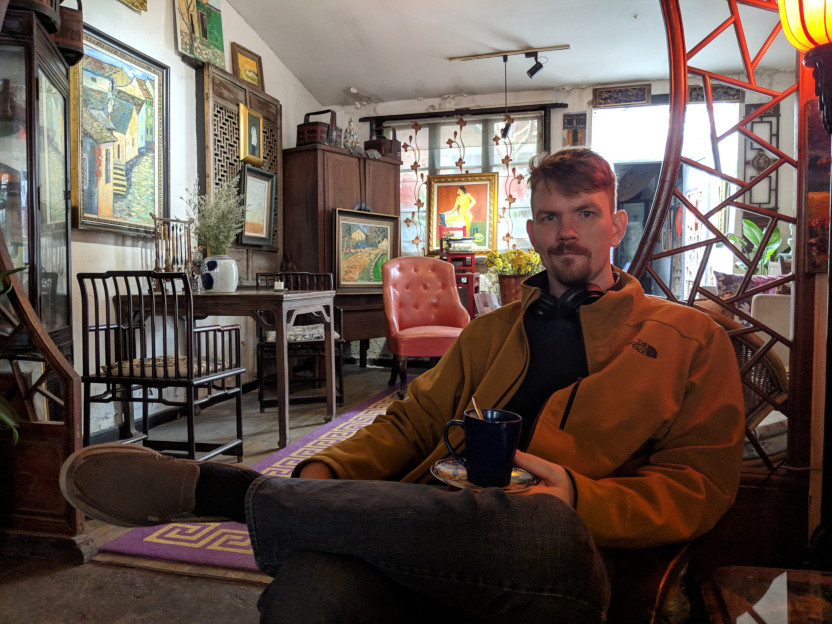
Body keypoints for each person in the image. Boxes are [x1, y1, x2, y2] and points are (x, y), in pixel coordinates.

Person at [60, 148, 745, 623]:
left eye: (585, 213)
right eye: (548, 216)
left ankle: (235, 495)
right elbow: (413, 422)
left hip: (564, 556)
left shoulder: (688, 338)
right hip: (434, 532)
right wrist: (329, 467)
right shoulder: (490, 330)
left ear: (616, 223)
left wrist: (580, 496)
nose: (565, 233)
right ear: (532, 228)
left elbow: (701, 487)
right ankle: (291, 497)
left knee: (538, 521)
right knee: (310, 585)